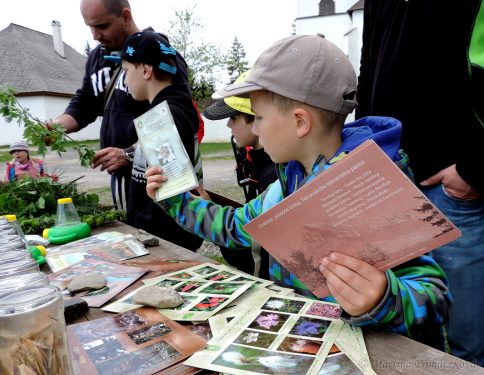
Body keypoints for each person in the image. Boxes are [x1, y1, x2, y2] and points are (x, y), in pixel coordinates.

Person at [145, 35, 452, 345]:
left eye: (260, 117)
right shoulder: (285, 186)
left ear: (300, 122)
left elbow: (436, 301)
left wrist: (382, 298)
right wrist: (174, 198)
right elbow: (234, 227)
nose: (254, 128)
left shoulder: (372, 189)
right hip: (309, 344)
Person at [356, 1, 484, 363]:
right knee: (403, 333)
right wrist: (363, 147)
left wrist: (476, 168)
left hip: (452, 185)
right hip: (387, 178)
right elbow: (370, 65)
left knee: (467, 348)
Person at [48, 0, 204, 210]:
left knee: (158, 228)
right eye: (90, 27)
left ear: (126, 17)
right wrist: (55, 127)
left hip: (155, 173)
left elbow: (175, 120)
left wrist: (129, 154)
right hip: (122, 179)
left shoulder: (161, 54)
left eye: (102, 26)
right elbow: (84, 104)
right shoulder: (96, 57)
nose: (95, 35)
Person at [107, 30, 203, 251]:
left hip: (164, 243)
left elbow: (170, 193)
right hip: (166, 238)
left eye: (126, 71)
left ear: (146, 70)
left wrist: (140, 228)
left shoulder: (163, 117)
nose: (125, 80)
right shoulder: (170, 108)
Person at [203, 70, 277, 278]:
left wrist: (209, 210)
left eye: (233, 117)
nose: (228, 125)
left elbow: (252, 254)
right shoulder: (258, 162)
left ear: (255, 119)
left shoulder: (276, 174)